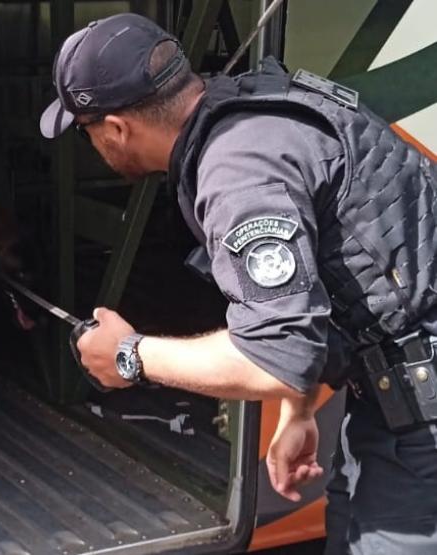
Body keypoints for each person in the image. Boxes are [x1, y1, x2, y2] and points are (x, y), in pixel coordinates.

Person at [39, 12, 437, 554]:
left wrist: (130, 355)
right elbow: (317, 285)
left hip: (422, 423)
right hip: (390, 399)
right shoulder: (250, 107)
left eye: (84, 131)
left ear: (116, 129)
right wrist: (297, 411)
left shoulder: (238, 172)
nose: (90, 144)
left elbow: (271, 353)